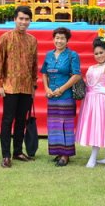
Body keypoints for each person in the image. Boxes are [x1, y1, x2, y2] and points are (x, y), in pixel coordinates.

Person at [0, 6, 38, 168]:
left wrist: (34, 85)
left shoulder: (32, 40)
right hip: (10, 86)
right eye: (21, 19)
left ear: (30, 21)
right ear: (15, 19)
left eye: (27, 19)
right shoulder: (5, 38)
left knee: (21, 121)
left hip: (26, 87)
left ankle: (18, 151)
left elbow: (34, 65)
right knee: (7, 120)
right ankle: (6, 155)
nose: (23, 22)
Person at [76, 37, 105, 168]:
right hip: (90, 100)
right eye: (96, 53)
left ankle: (93, 157)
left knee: (99, 127)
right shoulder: (92, 67)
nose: (99, 55)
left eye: (101, 52)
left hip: (101, 101)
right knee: (97, 127)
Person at [41, 27, 82, 167]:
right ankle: (58, 151)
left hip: (66, 95)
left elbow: (76, 75)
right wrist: (46, 89)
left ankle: (66, 154)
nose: (59, 41)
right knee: (54, 124)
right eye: (57, 38)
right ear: (53, 39)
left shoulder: (72, 55)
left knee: (66, 124)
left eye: (62, 38)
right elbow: (44, 73)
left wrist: (61, 89)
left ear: (67, 40)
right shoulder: (48, 55)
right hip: (51, 96)